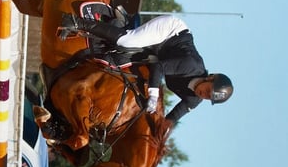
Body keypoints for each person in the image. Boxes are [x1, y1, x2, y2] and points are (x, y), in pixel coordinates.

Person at [61, 13, 233, 125]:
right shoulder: (191, 65)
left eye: (208, 97)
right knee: (127, 41)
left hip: (161, 54)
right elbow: (159, 67)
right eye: (208, 90)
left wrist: (160, 135)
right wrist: (153, 95)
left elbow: (171, 120)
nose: (204, 94)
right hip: (169, 32)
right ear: (210, 78)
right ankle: (76, 22)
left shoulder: (193, 100)